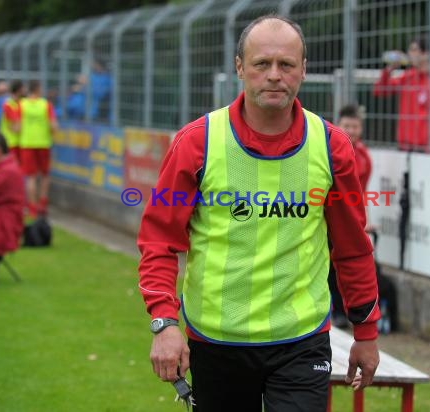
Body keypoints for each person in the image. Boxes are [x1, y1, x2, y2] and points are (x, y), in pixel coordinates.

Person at [137, 15, 380, 412]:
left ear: (303, 69)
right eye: (261, 64)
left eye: (286, 65)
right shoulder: (196, 143)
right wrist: (164, 323)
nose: (274, 76)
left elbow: (353, 249)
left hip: (302, 341)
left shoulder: (332, 147)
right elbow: (159, 242)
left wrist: (366, 332)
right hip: (216, 340)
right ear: (239, 68)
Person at [329, 103, 373, 328]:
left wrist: (362, 221)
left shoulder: (364, 158)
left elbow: (360, 194)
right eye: (347, 126)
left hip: (346, 220)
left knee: (346, 264)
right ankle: (332, 309)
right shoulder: (328, 149)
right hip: (326, 215)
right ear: (338, 125)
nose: (351, 131)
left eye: (355, 127)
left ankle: (346, 311)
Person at [373, 35, 430, 151]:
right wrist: (389, 69)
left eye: (414, 50)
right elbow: (379, 90)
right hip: (404, 145)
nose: (409, 53)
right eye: (410, 50)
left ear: (426, 54)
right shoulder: (408, 77)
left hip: (426, 149)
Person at [19, 80, 58, 217]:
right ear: (38, 89)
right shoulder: (45, 105)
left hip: (27, 143)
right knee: (45, 175)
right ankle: (42, 202)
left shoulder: (22, 104)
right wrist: (53, 135)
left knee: (30, 177)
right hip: (43, 143)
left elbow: (16, 126)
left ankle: (32, 207)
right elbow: (53, 125)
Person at [0, 80, 24, 162]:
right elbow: (16, 128)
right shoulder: (8, 105)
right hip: (10, 143)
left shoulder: (21, 103)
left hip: (20, 143)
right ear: (20, 90)